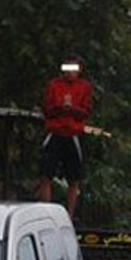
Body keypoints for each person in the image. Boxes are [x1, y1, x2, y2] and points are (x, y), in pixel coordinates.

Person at [39, 57, 92, 217]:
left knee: (74, 180)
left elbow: (85, 112)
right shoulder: (54, 85)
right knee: (46, 176)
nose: (70, 73)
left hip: (72, 134)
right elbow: (47, 110)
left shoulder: (84, 87)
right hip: (55, 132)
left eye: (73, 69)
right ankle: (46, 213)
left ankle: (69, 215)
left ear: (79, 70)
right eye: (67, 69)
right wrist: (60, 107)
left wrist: (72, 109)